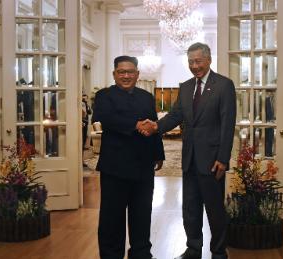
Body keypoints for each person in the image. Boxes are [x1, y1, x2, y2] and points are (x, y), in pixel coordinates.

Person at [138, 42, 236, 259]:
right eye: (191, 62)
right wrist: (155, 126)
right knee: (190, 208)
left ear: (208, 60)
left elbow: (228, 124)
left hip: (212, 160)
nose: (194, 66)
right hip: (189, 158)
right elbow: (175, 116)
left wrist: (223, 158)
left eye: (198, 61)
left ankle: (219, 252)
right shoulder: (186, 87)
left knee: (214, 210)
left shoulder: (223, 85)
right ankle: (193, 248)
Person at [92, 55, 165, 259]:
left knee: (142, 215)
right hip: (114, 166)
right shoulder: (104, 96)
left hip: (143, 165)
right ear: (114, 74)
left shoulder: (146, 97)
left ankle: (141, 254)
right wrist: (135, 124)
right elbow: (106, 118)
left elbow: (153, 126)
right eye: (121, 72)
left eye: (130, 72)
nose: (126, 76)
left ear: (137, 74)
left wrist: (159, 154)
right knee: (111, 218)